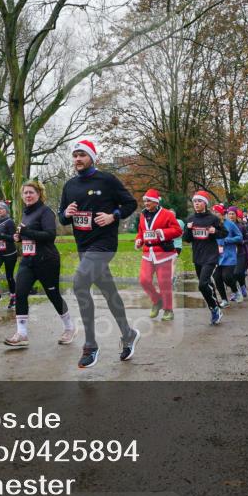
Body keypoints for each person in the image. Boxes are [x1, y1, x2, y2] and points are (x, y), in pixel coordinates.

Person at [58, 139, 139, 369]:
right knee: (109, 291)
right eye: (74, 155)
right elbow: (62, 217)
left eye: (82, 155)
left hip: (104, 244)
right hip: (84, 247)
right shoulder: (69, 185)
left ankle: (91, 345)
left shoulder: (107, 180)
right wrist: (67, 213)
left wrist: (113, 215)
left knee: (80, 283)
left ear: (92, 158)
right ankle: (128, 333)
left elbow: (130, 204)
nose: (77, 159)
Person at [4, 180, 74, 348]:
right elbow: (29, 235)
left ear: (39, 194)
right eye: (25, 193)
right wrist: (20, 238)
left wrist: (27, 232)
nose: (28, 195)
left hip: (46, 261)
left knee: (53, 295)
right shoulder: (26, 213)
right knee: (20, 293)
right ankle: (22, 334)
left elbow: (50, 235)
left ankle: (69, 328)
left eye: (31, 192)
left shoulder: (46, 212)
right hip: (28, 261)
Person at [135, 189, 182, 322]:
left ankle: (168, 309)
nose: (146, 203)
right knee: (144, 280)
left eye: (149, 200)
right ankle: (157, 301)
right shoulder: (142, 215)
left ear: (156, 201)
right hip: (147, 253)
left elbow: (178, 231)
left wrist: (162, 232)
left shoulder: (167, 214)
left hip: (164, 253)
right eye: (145, 200)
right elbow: (141, 232)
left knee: (164, 283)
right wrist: (139, 240)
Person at [183, 191, 227, 325]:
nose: (196, 204)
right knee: (207, 283)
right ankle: (215, 307)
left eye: (199, 201)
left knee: (202, 284)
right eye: (195, 201)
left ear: (205, 204)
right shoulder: (190, 219)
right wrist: (189, 230)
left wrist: (215, 232)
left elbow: (224, 233)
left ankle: (214, 308)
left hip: (211, 256)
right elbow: (186, 239)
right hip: (198, 256)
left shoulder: (213, 219)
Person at [214, 204, 242, 303]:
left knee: (227, 276)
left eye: (217, 212)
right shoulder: (212, 225)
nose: (215, 214)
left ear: (222, 214)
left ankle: (235, 290)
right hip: (217, 256)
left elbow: (239, 237)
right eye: (213, 212)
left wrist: (227, 240)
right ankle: (224, 300)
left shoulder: (230, 224)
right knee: (216, 277)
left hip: (229, 255)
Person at [227, 207, 248, 298]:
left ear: (236, 215)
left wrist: (242, 242)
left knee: (237, 272)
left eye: (233, 214)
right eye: (230, 214)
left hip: (240, 252)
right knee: (230, 274)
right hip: (229, 253)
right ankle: (237, 290)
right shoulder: (225, 226)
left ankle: (241, 288)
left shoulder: (241, 226)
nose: (231, 216)